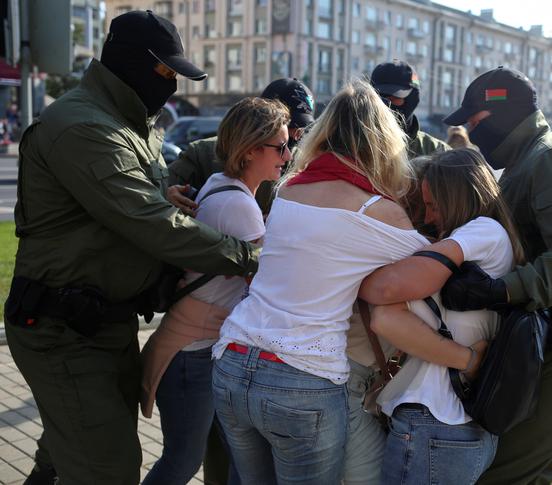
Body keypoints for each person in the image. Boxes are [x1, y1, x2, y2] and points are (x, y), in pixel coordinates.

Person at [3, 10, 258, 485]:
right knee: (108, 468)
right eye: (166, 72)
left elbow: (132, 201)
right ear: (131, 63)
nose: (173, 86)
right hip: (64, 328)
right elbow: (149, 223)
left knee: (68, 453)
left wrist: (165, 195)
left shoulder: (128, 121)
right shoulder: (86, 125)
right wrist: (252, 258)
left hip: (100, 322)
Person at [210, 79, 476, 484]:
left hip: (231, 360)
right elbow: (429, 274)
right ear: (384, 142)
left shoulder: (288, 191)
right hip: (302, 378)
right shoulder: (378, 212)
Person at [440, 66, 552, 484]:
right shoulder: (528, 161)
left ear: (505, 113)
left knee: (503, 475)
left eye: (476, 119)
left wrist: (498, 291)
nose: (469, 128)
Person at [140, 97, 290, 484]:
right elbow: (270, 283)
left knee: (229, 456)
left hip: (193, 348)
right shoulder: (238, 204)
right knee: (182, 462)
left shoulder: (221, 184)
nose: (288, 155)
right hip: (193, 352)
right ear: (251, 148)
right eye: (280, 146)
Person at [358, 148, 524, 484]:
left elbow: (385, 309)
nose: (431, 217)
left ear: (460, 198)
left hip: (434, 419)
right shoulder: (488, 242)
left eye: (435, 206)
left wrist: (362, 277)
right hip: (451, 424)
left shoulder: (485, 231)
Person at [167, 78, 315, 216]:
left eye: (302, 130)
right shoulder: (205, 152)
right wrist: (167, 195)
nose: (296, 137)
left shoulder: (301, 164)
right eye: (289, 125)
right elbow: (153, 192)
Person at [370, 60, 449, 158]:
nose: (386, 104)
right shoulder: (356, 145)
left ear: (412, 98)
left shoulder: (437, 152)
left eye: (394, 97)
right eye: (379, 98)